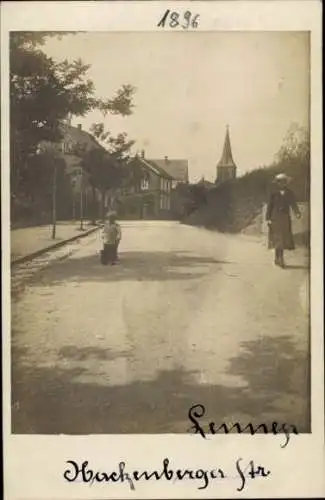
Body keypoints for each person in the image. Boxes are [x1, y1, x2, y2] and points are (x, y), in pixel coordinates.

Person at [266, 173, 301, 268]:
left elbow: (293, 204)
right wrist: (268, 218)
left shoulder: (289, 193)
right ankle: (279, 258)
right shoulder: (273, 193)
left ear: (286, 183)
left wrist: (297, 212)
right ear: (277, 183)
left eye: (284, 182)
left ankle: (279, 258)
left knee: (283, 239)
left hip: (285, 218)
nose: (282, 183)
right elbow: (270, 206)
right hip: (275, 218)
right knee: (278, 239)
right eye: (280, 182)